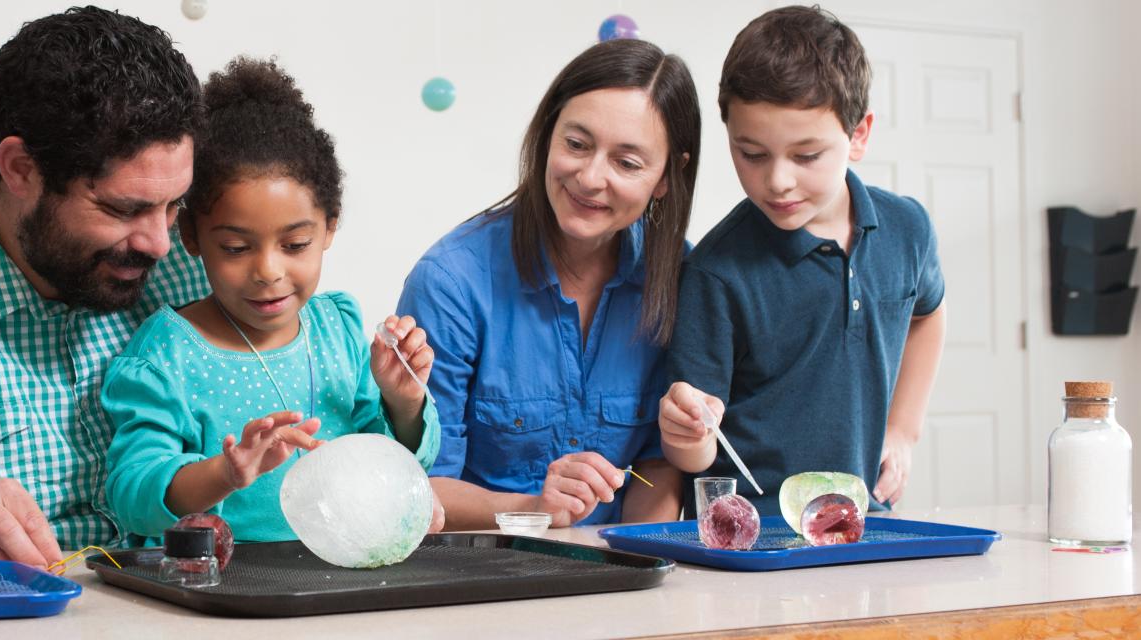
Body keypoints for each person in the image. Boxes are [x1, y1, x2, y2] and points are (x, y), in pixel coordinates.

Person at [0, 7, 210, 564]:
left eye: (173, 205)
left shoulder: (201, 274)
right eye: (124, 208)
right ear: (20, 169)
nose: (160, 244)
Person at [103, 58, 441, 543]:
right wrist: (225, 473)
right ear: (193, 235)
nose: (268, 271)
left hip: (338, 578)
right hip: (223, 592)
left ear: (330, 226)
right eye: (236, 248)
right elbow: (131, 495)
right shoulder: (166, 356)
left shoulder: (338, 330)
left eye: (295, 244)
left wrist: (404, 401)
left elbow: (391, 461)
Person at [396, 38, 700, 530]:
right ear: (547, 136)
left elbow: (655, 465)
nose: (590, 177)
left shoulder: (680, 277)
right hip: (482, 580)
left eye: (627, 162)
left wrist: (636, 558)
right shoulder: (451, 282)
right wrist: (534, 509)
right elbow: (421, 487)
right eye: (576, 145)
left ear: (667, 176)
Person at [657, 6, 947, 515]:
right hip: (750, 542)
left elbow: (928, 315)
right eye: (752, 154)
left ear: (858, 135)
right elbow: (692, 456)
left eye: (806, 156)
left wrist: (904, 430)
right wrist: (686, 434)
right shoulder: (715, 272)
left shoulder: (908, 230)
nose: (777, 181)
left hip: (863, 526)